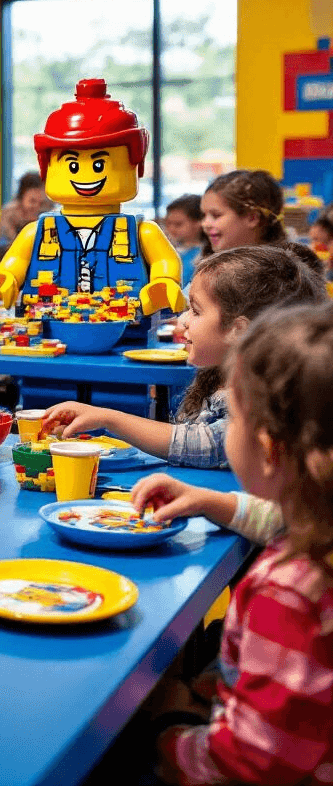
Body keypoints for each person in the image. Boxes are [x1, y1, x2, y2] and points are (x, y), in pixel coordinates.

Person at [140, 303, 333, 785]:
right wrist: (212, 502)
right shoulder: (319, 523)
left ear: (268, 447)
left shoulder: (292, 595)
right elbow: (282, 519)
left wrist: (166, 726)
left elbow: (249, 764)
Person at [43, 246, 326, 467]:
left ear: (239, 331)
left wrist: (108, 418)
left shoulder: (267, 398)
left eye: (196, 311)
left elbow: (211, 445)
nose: (183, 320)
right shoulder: (224, 380)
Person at [200, 169, 285, 257]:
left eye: (216, 215)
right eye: (204, 215)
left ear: (252, 218)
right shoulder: (212, 263)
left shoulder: (278, 268)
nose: (205, 224)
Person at [0, 172, 49, 258]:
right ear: (21, 197)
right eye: (32, 201)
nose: (37, 207)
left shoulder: (47, 212)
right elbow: (3, 245)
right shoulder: (10, 213)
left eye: (41, 203)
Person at [165, 194, 205, 285]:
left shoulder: (202, 255)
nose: (171, 229)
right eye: (168, 223)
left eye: (178, 224)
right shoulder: (171, 249)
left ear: (199, 223)